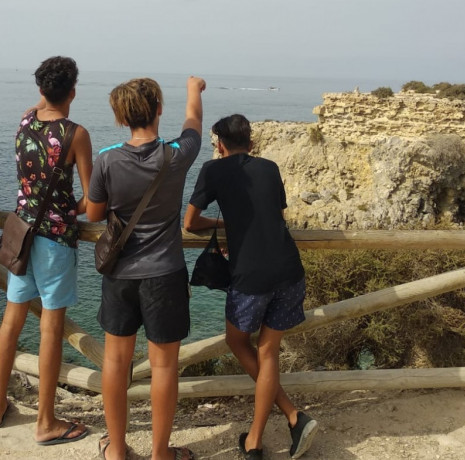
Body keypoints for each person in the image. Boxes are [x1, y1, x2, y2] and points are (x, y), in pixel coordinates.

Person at [184, 114, 318, 460]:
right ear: (252, 144)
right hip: (289, 269)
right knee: (268, 351)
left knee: (236, 341)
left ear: (219, 146)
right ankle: (293, 417)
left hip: (251, 275)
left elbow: (190, 221)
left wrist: (223, 222)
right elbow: (272, 213)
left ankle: (256, 442)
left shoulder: (213, 170)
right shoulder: (270, 167)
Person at [87, 76, 204, 460]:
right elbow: (194, 123)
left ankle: (117, 450)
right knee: (164, 366)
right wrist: (193, 91)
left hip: (119, 274)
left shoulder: (105, 159)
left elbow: (94, 213)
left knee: (116, 363)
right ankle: (160, 454)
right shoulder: (177, 155)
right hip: (164, 273)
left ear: (122, 118)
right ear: (158, 109)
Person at [0, 56, 92, 444]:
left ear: (40, 90)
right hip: (55, 240)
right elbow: (92, 198)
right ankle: (46, 422)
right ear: (73, 91)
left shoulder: (24, 123)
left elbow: (36, 111)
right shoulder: (77, 134)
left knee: (11, 321)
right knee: (51, 327)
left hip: (21, 232)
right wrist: (70, 213)